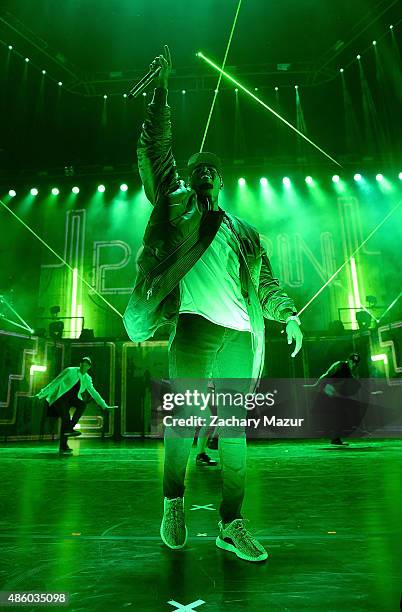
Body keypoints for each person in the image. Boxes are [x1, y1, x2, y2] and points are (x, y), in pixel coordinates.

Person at [123, 45, 303, 562]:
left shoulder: (243, 232)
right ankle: (173, 503)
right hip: (196, 329)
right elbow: (156, 152)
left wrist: (286, 314)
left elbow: (265, 283)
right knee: (182, 422)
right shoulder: (174, 207)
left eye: (208, 170)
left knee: (234, 432)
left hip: (240, 338)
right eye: (194, 169)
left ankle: (232, 523)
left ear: (220, 180)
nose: (200, 174)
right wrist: (160, 93)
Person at [36, 356, 117, 454]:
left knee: (82, 405)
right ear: (80, 364)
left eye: (86, 364)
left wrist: (104, 406)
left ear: (89, 367)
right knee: (66, 418)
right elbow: (56, 382)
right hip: (60, 398)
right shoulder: (70, 371)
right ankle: (64, 444)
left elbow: (93, 392)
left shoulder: (87, 378)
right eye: (82, 363)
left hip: (72, 399)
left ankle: (70, 429)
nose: (84, 365)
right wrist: (41, 394)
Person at [307, 353, 362, 445]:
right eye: (353, 362)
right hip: (328, 389)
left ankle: (335, 438)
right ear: (348, 360)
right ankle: (332, 436)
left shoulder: (349, 373)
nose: (354, 365)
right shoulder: (339, 365)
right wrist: (316, 385)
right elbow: (326, 374)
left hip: (333, 392)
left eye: (356, 363)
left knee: (341, 414)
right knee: (339, 413)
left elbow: (356, 384)